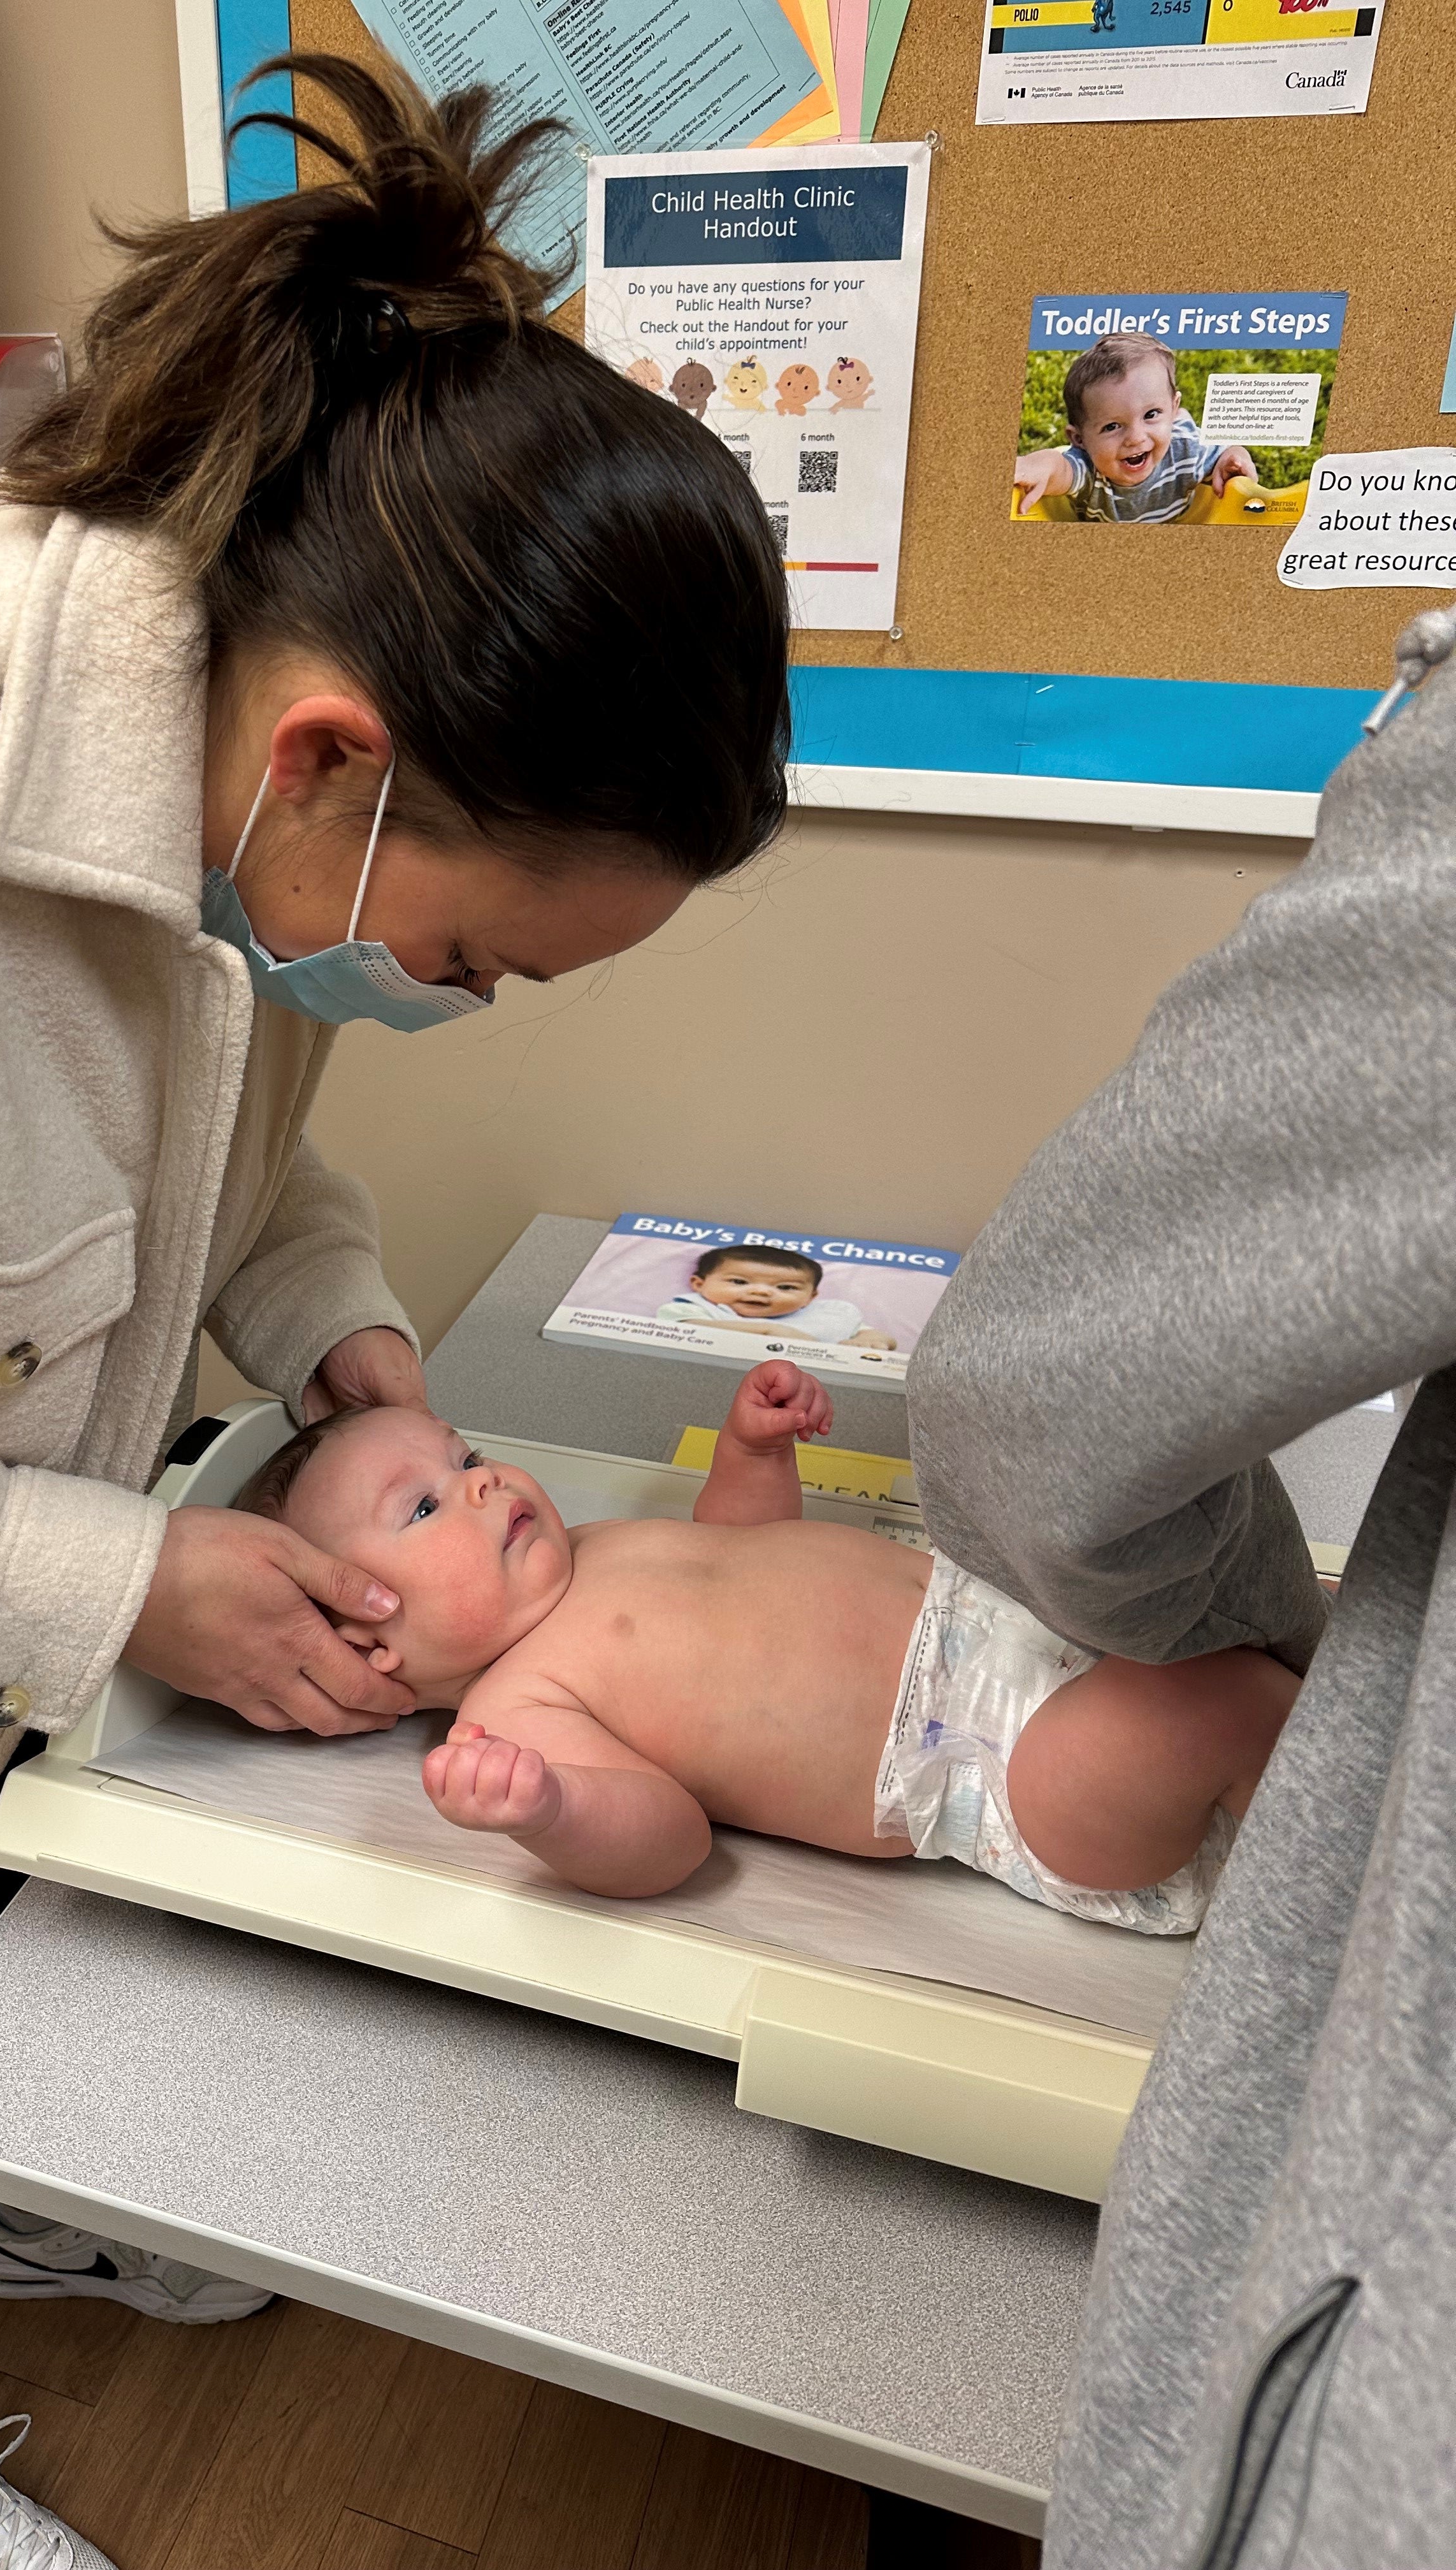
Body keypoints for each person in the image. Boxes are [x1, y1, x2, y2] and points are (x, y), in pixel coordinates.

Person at [0, 55, 789, 2570]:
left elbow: (222, 1140)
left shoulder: (234, 762)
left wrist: (340, 1332)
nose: (460, 1003)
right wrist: (116, 1582)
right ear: (340, 763)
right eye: (473, 961)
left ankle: (20, 2205)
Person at [905, 602, 1456, 2565]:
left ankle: (1255, 1717)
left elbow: (1026, 1411)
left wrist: (767, 1466)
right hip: (980, 1763)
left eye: (448, 1470)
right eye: (425, 1512)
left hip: (1013, 1678)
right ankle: (1251, 1721)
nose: (473, 1487)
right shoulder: (546, 1677)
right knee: (1169, 1736)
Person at [232, 1363, 1295, 1927]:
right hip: (1002, 1760)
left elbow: (741, 1553)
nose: (478, 1481)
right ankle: (1350, 1872)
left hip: (1020, 1620)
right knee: (1225, 1701)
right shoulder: (514, 1711)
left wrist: (748, 1451)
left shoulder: (593, 1544)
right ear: (373, 1650)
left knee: (1202, 1572)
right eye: (420, 1509)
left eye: (462, 1454)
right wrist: (549, 1811)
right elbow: (666, 1841)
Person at [1014, 331, 1255, 523]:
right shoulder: (1090, 469)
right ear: (1079, 440)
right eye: (1112, 426)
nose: (1136, 438)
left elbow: (1225, 454)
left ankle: (1180, 419)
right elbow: (1060, 468)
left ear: (1172, 406)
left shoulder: (1187, 451)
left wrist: (1234, 457)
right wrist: (1039, 463)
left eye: (1151, 414)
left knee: (1185, 432)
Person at [657, 1242, 895, 1347]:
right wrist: (769, 1331)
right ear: (699, 1284)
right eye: (739, 1282)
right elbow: (686, 1329)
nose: (761, 1291)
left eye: (786, 1288)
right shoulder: (692, 1308)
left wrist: (874, 1341)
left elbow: (876, 1335)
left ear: (811, 1298)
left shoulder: (828, 1314)